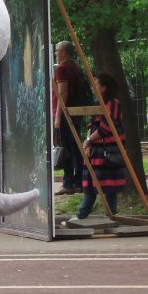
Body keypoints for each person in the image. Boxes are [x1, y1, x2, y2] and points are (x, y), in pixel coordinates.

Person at [73, 73, 126, 220]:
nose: (93, 86)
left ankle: (111, 215)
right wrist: (88, 143)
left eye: (96, 83)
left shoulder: (113, 103)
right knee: (91, 183)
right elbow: (92, 125)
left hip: (107, 150)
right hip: (95, 150)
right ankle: (82, 215)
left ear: (104, 87)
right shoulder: (98, 103)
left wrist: (89, 140)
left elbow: (107, 127)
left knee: (109, 186)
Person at [53, 41, 85, 195]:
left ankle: (68, 184)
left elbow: (62, 93)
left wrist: (58, 117)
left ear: (64, 52)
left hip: (66, 114)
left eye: (57, 50)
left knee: (66, 149)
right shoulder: (75, 67)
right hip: (76, 112)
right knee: (76, 148)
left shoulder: (62, 69)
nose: (55, 53)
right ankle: (78, 182)